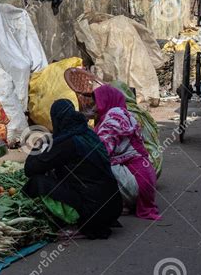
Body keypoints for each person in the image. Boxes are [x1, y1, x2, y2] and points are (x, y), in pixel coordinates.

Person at [23, 99, 123, 239]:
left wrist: (39, 145)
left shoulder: (67, 142)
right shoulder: (88, 134)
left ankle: (77, 221)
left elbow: (30, 169)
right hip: (113, 207)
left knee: (37, 182)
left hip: (93, 212)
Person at [93, 84, 161, 221]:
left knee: (95, 166)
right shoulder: (126, 114)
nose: (94, 106)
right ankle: (125, 201)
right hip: (146, 176)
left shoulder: (113, 119)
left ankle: (121, 202)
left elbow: (102, 151)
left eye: (96, 101)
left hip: (137, 183)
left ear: (106, 99)